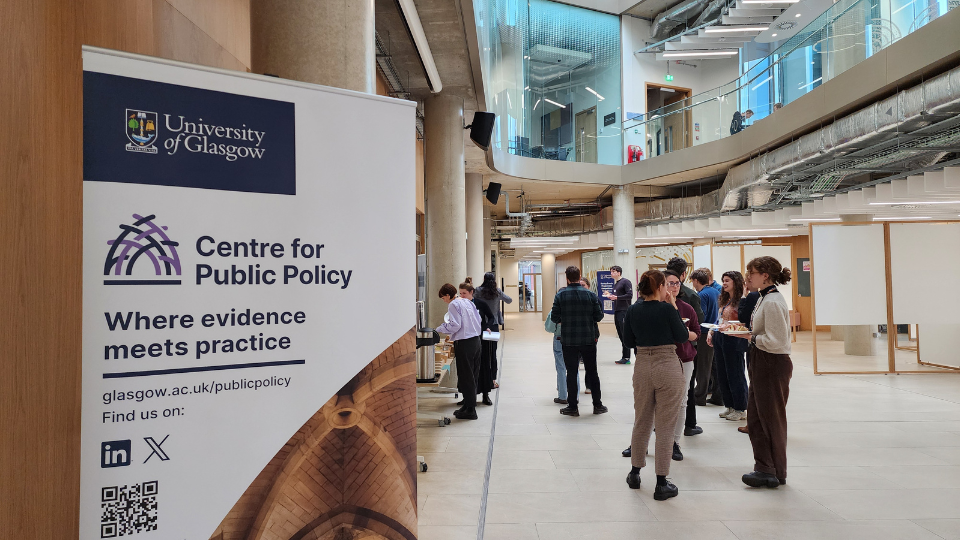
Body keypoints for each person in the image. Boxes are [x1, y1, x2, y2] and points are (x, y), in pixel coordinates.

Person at [622, 270, 689, 501]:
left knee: (642, 420)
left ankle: (635, 473)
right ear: (660, 286)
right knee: (665, 426)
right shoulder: (667, 309)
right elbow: (682, 336)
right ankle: (661, 482)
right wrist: (672, 307)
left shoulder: (633, 309)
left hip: (642, 365)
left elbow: (628, 341)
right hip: (667, 364)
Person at [731, 256, 793, 488]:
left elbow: (777, 341)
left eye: (752, 272)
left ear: (765, 275)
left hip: (772, 362)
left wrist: (749, 336)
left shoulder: (773, 301)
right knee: (757, 417)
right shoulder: (763, 298)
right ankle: (765, 467)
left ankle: (774, 469)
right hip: (762, 359)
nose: (748, 276)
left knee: (770, 418)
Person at [549, 266, 606, 417]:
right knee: (592, 372)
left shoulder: (560, 296)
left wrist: (565, 320)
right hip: (588, 338)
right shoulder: (591, 295)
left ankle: (573, 406)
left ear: (566, 278)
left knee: (571, 372)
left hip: (568, 340)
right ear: (579, 276)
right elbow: (599, 316)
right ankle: (597, 405)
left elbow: (554, 317)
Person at [665, 257, 703, 436]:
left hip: (685, 353)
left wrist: (684, 333)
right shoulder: (652, 306)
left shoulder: (687, 304)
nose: (674, 287)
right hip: (662, 357)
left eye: (676, 283)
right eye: (669, 284)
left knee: (683, 397)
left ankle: (677, 439)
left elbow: (696, 328)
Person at [435, 283, 483, 420]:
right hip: (476, 341)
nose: (443, 300)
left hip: (465, 343)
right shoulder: (467, 302)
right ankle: (468, 406)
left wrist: (439, 329)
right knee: (472, 375)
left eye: (443, 297)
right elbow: (478, 319)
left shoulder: (453, 304)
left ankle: (471, 410)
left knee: (466, 376)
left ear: (448, 295)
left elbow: (455, 325)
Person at [706, 271, 748, 422]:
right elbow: (718, 320)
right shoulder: (725, 299)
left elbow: (744, 322)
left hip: (734, 339)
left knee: (735, 373)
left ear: (736, 282)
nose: (724, 283)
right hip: (721, 336)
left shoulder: (742, 301)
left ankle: (740, 407)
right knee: (722, 373)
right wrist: (711, 331)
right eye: (723, 280)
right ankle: (730, 405)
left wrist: (728, 327)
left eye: (727, 281)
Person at [474, 272, 512, 387]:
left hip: (480, 325)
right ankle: (493, 380)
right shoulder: (497, 291)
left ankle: (480, 379)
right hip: (493, 325)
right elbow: (509, 300)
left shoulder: (478, 290)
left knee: (480, 352)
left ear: (484, 279)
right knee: (492, 353)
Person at [690, 268, 720, 407]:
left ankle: (699, 396)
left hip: (703, 333)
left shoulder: (701, 295)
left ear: (696, 281)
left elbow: (700, 315)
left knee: (702, 366)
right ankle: (718, 395)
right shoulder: (715, 291)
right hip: (714, 331)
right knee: (713, 366)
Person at [545, 285, 580, 405]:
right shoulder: (577, 308)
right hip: (575, 339)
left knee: (561, 367)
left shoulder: (556, 309)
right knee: (574, 368)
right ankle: (574, 396)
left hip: (559, 339)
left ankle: (563, 395)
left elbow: (549, 327)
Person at [465, 282, 496, 407]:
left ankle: (485, 395)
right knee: (468, 368)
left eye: (464, 293)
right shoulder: (460, 305)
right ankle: (468, 396)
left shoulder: (480, 304)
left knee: (484, 365)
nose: (461, 296)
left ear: (471, 292)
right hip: (467, 337)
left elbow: (491, 317)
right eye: (460, 293)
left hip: (481, 337)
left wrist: (487, 327)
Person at [604, 266, 635, 365]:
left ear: (619, 272)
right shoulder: (616, 284)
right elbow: (617, 297)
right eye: (611, 271)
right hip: (617, 310)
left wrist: (617, 297)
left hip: (624, 311)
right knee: (620, 334)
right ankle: (624, 356)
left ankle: (627, 357)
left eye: (613, 271)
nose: (611, 273)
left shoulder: (625, 282)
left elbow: (629, 295)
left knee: (624, 333)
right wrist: (610, 296)